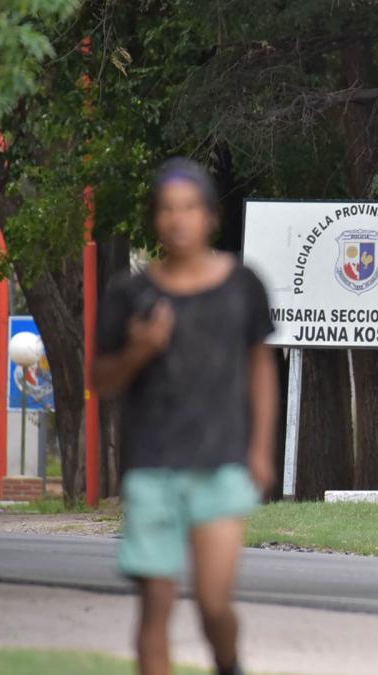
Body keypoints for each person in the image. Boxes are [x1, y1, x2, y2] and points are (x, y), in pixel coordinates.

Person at [92, 158, 278, 675]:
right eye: (168, 210)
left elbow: (261, 370)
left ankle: (228, 663)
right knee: (155, 608)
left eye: (190, 208)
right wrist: (140, 350)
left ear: (210, 217)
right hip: (152, 465)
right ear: (155, 220)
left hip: (221, 462)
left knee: (215, 605)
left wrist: (261, 451)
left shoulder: (242, 284)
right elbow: (101, 380)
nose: (179, 220)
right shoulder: (130, 295)